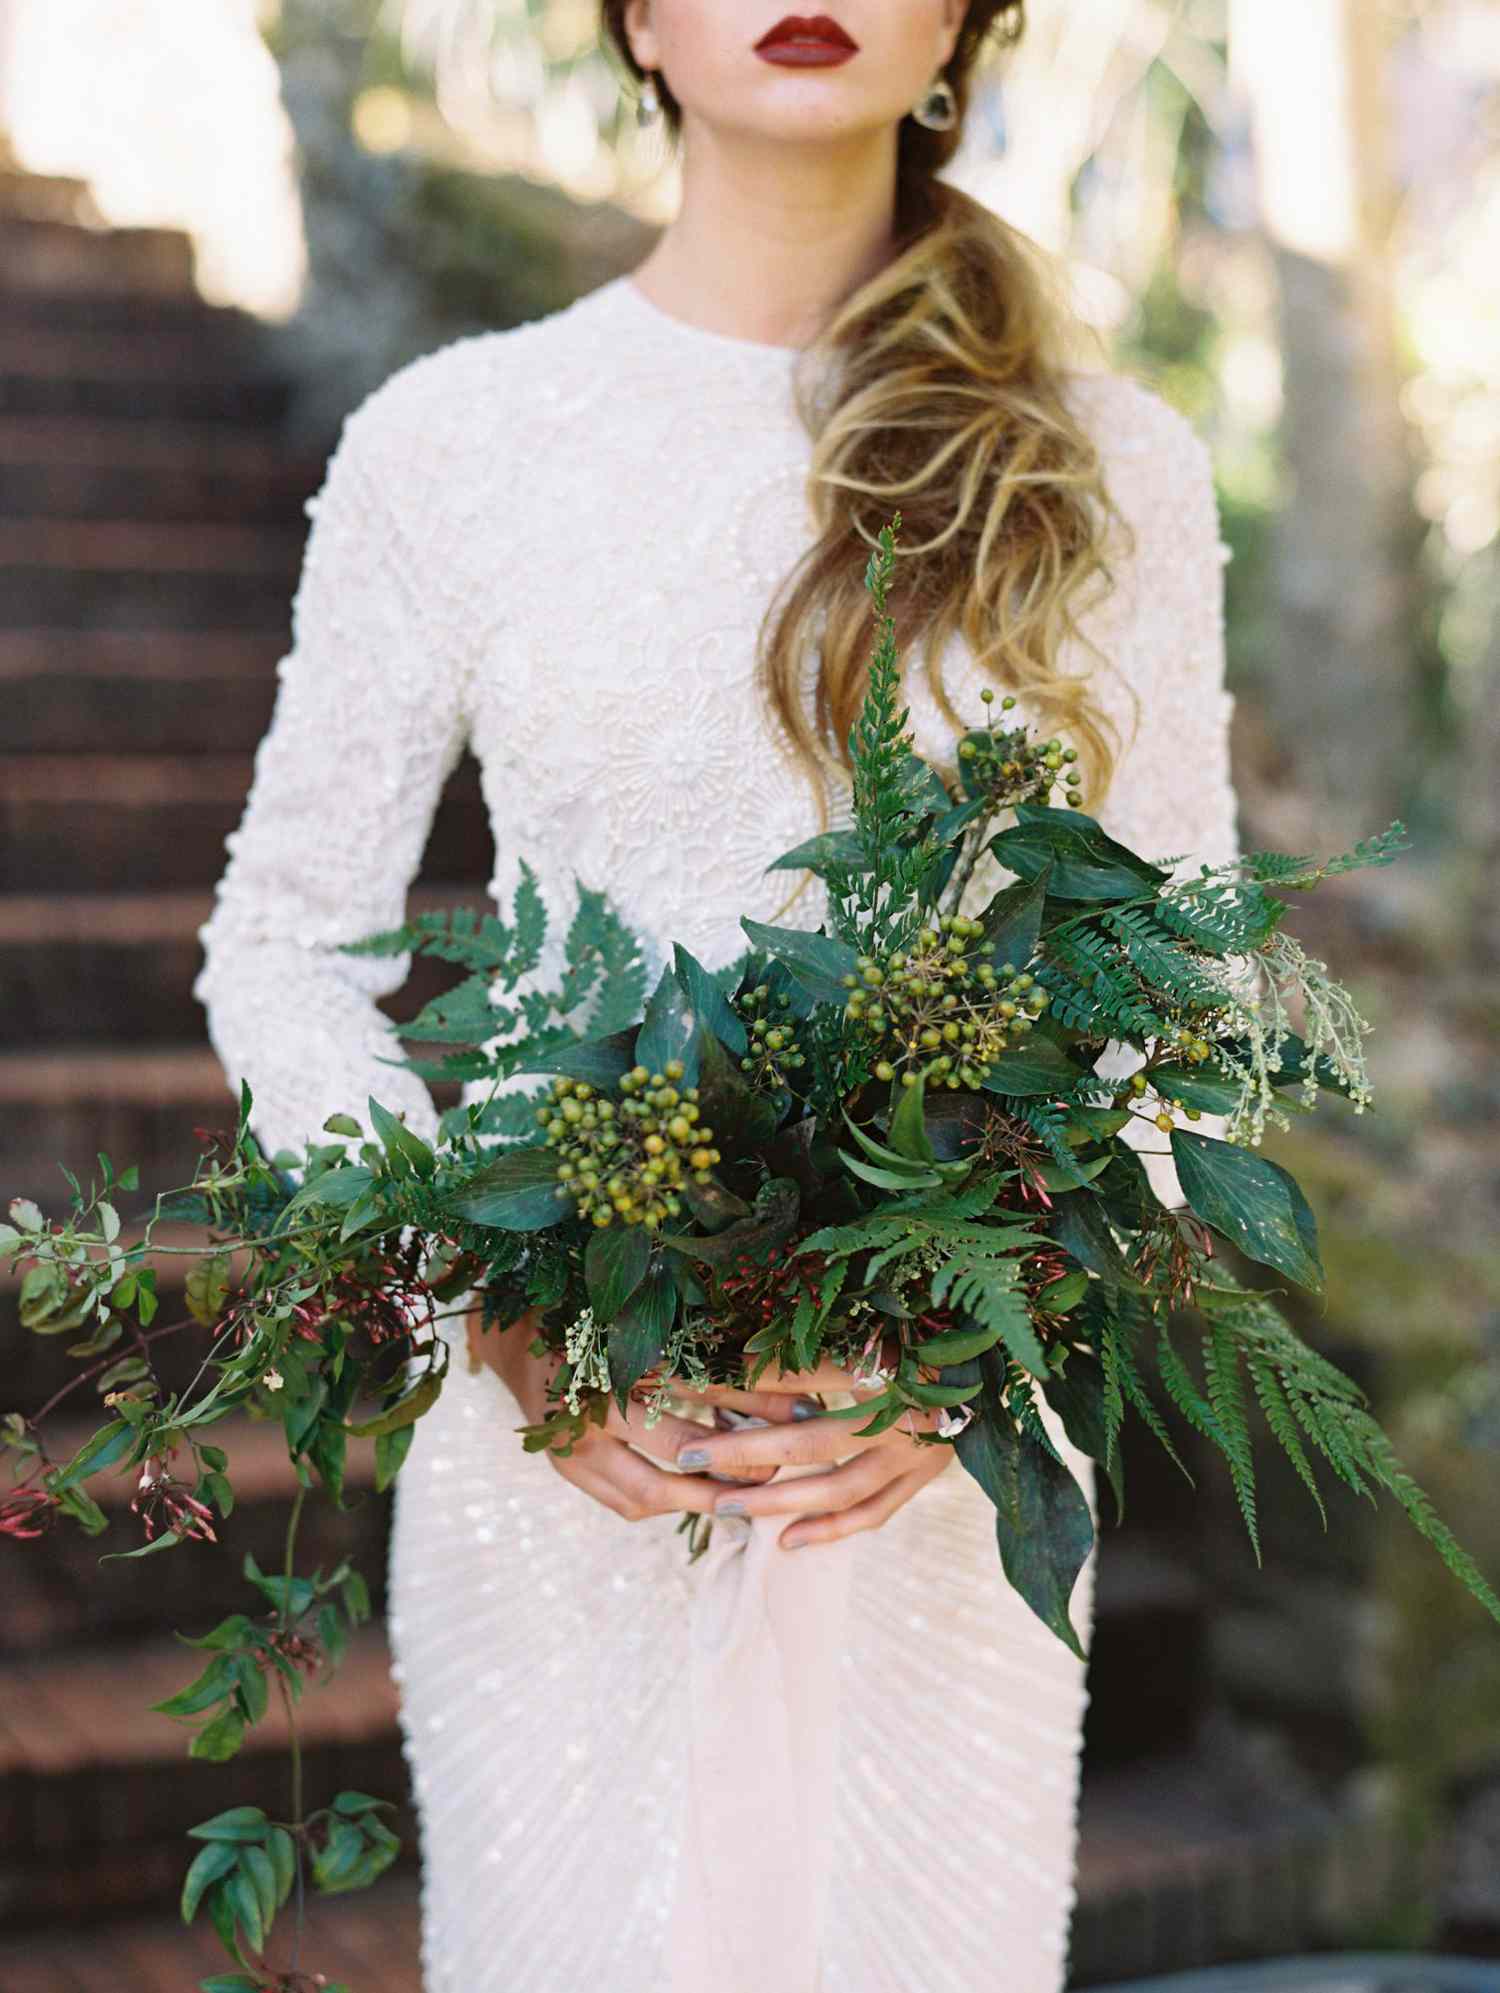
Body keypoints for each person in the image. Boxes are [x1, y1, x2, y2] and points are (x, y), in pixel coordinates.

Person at [194, 3, 1241, 1986]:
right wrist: (472, 1297)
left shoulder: (1117, 461)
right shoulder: (457, 440)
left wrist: (993, 1319)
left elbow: (1182, 968)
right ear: (637, 21)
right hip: (565, 1463)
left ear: (961, 28)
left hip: (932, 1483)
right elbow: (285, 938)